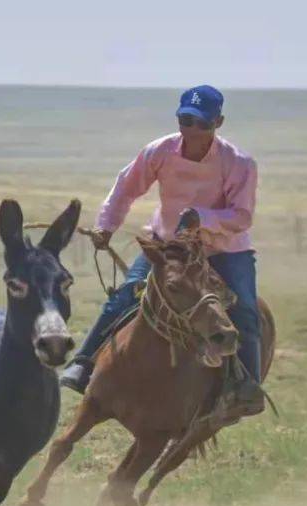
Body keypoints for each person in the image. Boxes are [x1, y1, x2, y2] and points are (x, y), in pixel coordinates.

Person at [60, 84, 264, 417]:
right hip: (169, 246)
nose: (193, 130)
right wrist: (106, 226)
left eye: (203, 123)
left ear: (219, 122)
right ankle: (83, 364)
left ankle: (246, 388)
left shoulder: (239, 163)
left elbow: (241, 217)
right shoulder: (159, 151)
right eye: (186, 120)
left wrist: (203, 217)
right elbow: (125, 189)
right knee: (126, 296)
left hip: (223, 249)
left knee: (245, 312)